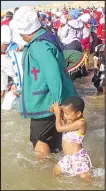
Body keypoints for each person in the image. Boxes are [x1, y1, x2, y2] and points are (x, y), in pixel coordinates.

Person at [13, 6, 78, 159]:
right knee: (55, 145)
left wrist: (57, 103)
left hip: (47, 103)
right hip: (52, 101)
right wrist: (23, 90)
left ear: (26, 30)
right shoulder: (47, 38)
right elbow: (39, 76)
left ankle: (42, 180)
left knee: (40, 139)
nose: (20, 35)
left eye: (20, 32)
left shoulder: (39, 46)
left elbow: (52, 75)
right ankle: (56, 178)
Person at [50, 96, 92, 181]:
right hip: (68, 158)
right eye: (65, 113)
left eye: (67, 114)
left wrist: (58, 113)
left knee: (86, 179)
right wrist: (56, 110)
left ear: (78, 114)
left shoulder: (81, 123)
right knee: (56, 171)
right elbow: (62, 123)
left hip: (78, 158)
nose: (65, 116)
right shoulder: (71, 120)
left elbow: (59, 128)